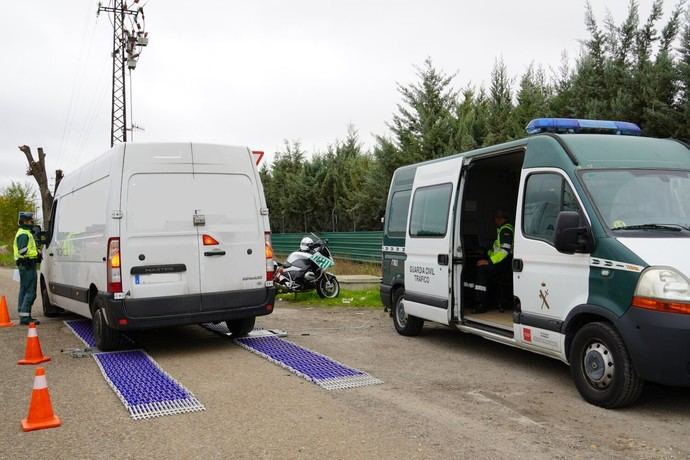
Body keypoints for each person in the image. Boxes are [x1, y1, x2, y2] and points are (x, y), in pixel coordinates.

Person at [472, 210, 514, 313]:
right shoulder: (501, 229)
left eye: (496, 218)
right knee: (479, 265)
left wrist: (489, 262)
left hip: (504, 265)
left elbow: (504, 251)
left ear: (501, 219)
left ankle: (481, 304)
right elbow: (496, 251)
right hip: (501, 263)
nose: (494, 221)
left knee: (481, 270)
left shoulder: (505, 230)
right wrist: (486, 252)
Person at [14, 211, 41, 325]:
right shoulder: (24, 234)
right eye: (31, 221)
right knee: (30, 292)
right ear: (25, 221)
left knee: (24, 290)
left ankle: (23, 314)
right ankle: (25, 317)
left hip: (24, 265)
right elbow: (22, 250)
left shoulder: (23, 232)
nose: (32, 222)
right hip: (28, 265)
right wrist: (36, 253)